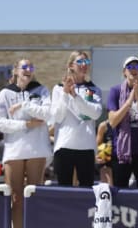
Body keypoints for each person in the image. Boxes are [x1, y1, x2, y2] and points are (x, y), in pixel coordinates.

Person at [0, 59, 53, 228]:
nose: (28, 70)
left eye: (31, 67)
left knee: (34, 196)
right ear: (16, 70)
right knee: (16, 197)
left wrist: (25, 105)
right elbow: (0, 123)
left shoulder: (41, 90)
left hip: (36, 149)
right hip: (14, 150)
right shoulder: (5, 93)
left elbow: (47, 114)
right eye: (24, 67)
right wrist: (26, 124)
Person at [51, 51, 102, 187]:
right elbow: (57, 116)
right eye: (80, 62)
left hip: (86, 147)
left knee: (86, 192)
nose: (84, 65)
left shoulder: (93, 89)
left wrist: (75, 96)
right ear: (71, 65)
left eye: (86, 62)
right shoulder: (58, 88)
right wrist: (65, 94)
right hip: (64, 146)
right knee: (63, 192)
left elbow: (95, 113)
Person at [107, 55, 138, 189]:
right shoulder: (115, 91)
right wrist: (129, 100)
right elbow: (112, 121)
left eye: (137, 67)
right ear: (124, 72)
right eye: (130, 67)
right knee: (119, 192)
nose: (134, 70)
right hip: (121, 151)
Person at [96, 119, 115, 185]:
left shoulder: (129, 125)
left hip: (123, 160)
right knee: (107, 188)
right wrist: (98, 157)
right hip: (107, 162)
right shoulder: (104, 126)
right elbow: (98, 145)